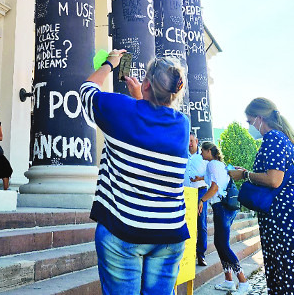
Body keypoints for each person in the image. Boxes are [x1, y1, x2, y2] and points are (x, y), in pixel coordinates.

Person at [80, 51, 190, 295]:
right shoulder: (182, 125)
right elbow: (149, 121)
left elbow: (87, 90)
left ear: (147, 83)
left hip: (124, 230)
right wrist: (142, 97)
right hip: (169, 234)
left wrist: (110, 63)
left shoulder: (120, 110)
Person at [228, 98, 294, 295]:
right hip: (280, 217)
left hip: (278, 219)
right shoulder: (282, 138)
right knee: (282, 268)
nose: (249, 126)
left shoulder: (273, 137)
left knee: (281, 270)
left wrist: (245, 175)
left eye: (249, 122)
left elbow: (274, 179)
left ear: (259, 118)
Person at [199, 142, 250, 292]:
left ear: (209, 151)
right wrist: (198, 179)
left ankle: (243, 282)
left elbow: (214, 188)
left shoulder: (212, 164)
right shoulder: (220, 165)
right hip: (227, 207)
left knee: (223, 245)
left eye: (202, 151)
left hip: (221, 207)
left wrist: (202, 200)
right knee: (220, 243)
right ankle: (228, 280)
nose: (201, 153)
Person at [184, 132, 208, 266]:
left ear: (197, 141)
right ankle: (186, 253)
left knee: (201, 224)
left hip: (200, 192)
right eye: (188, 141)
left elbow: (210, 175)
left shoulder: (203, 156)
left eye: (192, 141)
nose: (190, 144)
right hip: (185, 192)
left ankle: (201, 254)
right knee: (186, 222)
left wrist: (200, 178)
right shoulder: (182, 154)